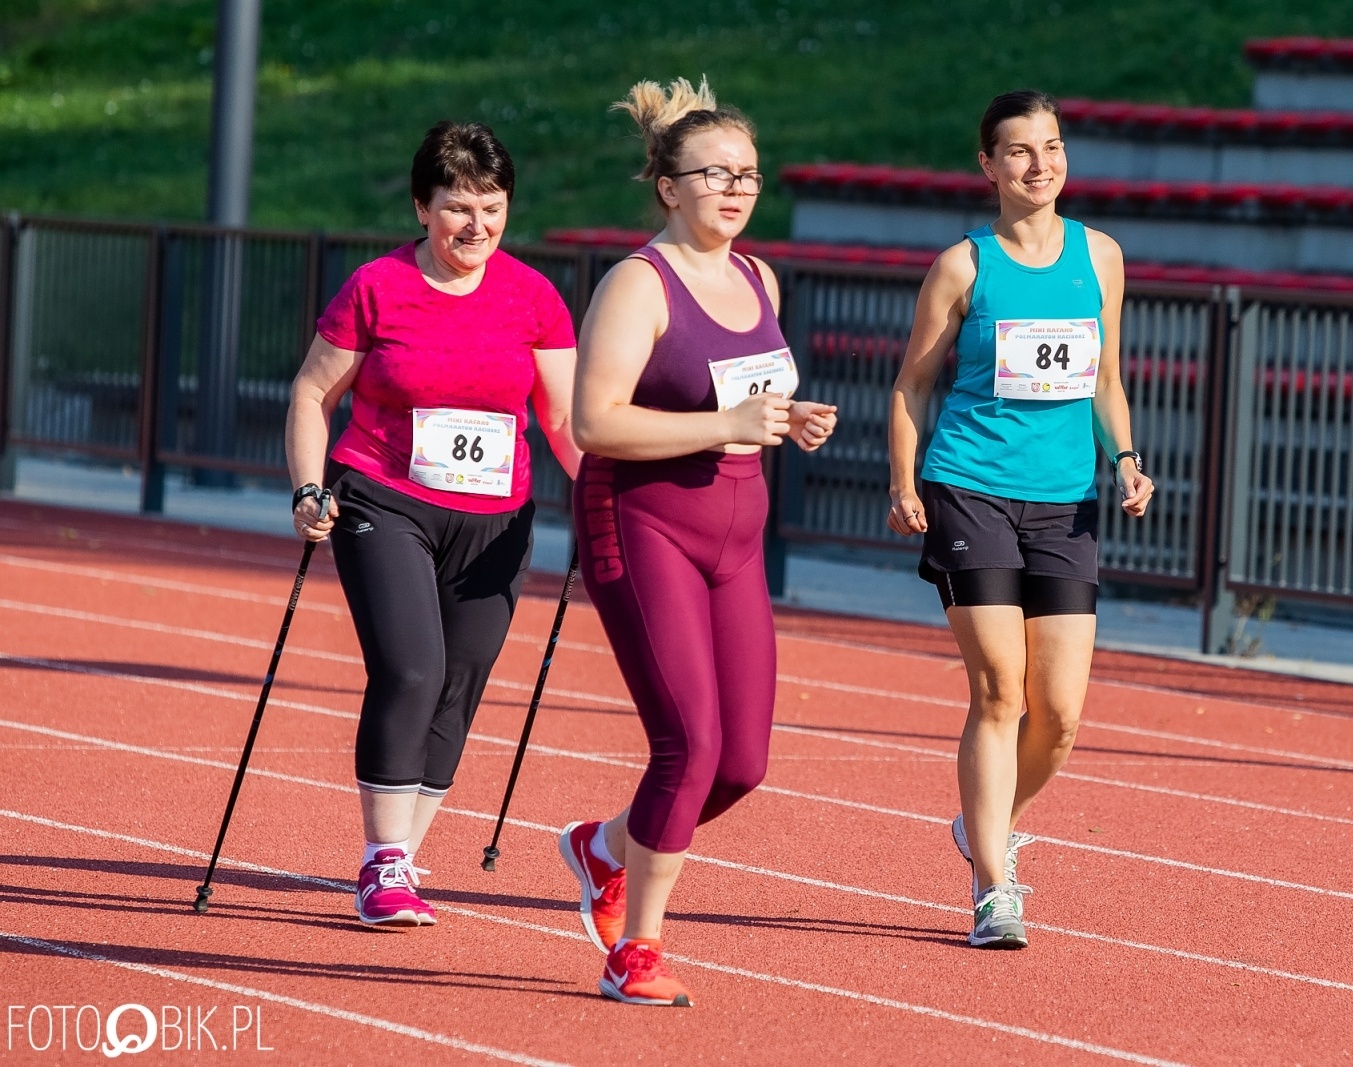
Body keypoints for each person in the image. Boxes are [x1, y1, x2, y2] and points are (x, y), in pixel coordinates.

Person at [557, 76, 837, 1006]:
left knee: (744, 762)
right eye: (713, 173)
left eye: (749, 174)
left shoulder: (760, 277)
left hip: (737, 536)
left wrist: (785, 420)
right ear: (667, 186)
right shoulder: (639, 282)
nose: (734, 189)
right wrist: (729, 426)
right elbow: (594, 423)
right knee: (689, 740)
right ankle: (635, 947)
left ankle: (604, 845)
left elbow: (739, 398)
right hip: (643, 526)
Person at [285, 120, 581, 927]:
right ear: (422, 207)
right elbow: (313, 395)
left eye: (492, 206)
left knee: (460, 680)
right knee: (412, 669)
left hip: (496, 519)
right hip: (385, 499)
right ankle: (381, 860)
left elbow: (563, 420)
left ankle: (402, 860)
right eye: (457, 207)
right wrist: (310, 489)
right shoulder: (376, 287)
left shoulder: (534, 298)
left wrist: (603, 494)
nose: (475, 225)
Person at [886, 89, 1155, 949]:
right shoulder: (964, 267)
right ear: (988, 166)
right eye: (1019, 151)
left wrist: (1125, 457)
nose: (1040, 165)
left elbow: (1105, 378)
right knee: (1000, 689)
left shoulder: (1101, 256)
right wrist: (903, 479)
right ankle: (994, 888)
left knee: (1063, 712)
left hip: (1066, 499)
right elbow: (911, 386)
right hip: (970, 486)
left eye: (1052, 147)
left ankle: (984, 824)